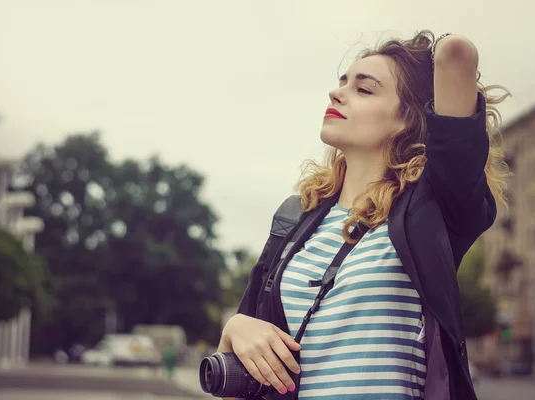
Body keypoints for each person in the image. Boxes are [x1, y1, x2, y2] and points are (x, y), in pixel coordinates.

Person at [218, 30, 510, 400]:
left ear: (406, 118)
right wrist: (237, 328)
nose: (337, 93)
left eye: (364, 89)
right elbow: (245, 370)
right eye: (342, 83)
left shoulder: (430, 209)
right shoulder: (295, 218)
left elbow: (456, 54)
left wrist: (428, 60)